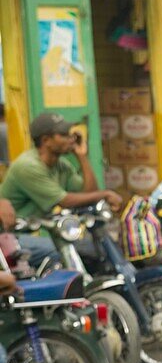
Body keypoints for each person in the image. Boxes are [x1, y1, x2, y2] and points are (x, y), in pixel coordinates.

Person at [0, 113, 123, 267]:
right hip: (10, 238)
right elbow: (65, 201)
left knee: (94, 249)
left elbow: (88, 193)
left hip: (30, 235)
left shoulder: (61, 165)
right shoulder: (28, 166)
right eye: (64, 135)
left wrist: (82, 156)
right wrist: (106, 194)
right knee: (73, 250)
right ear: (46, 140)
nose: (71, 139)